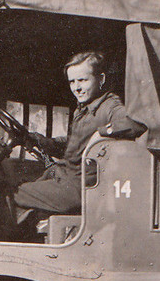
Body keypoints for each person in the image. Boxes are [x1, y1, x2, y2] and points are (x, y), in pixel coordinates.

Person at [11, 51, 145, 225]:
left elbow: (136, 124)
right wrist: (40, 141)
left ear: (101, 79)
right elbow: (75, 145)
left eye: (83, 80)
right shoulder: (83, 109)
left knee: (12, 192)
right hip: (63, 175)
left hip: (77, 187)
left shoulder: (110, 105)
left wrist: (103, 132)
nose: (76, 88)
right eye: (72, 82)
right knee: (18, 182)